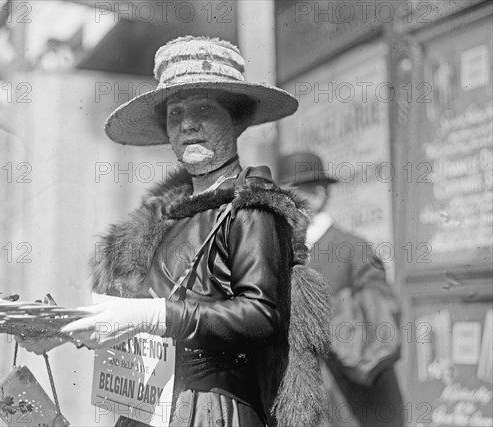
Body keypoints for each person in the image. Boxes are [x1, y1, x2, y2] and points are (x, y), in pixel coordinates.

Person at [20, 36, 331, 427]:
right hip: (150, 407)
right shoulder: (164, 220)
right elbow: (138, 324)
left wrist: (153, 314)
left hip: (210, 412)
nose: (187, 124)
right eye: (175, 113)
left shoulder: (250, 208)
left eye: (204, 108)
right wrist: (64, 327)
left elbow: (261, 315)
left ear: (235, 121)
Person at [277, 152, 404, 427]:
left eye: (291, 196)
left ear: (318, 196)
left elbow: (381, 317)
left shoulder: (353, 247)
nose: (282, 207)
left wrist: (325, 314)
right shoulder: (279, 254)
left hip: (351, 400)